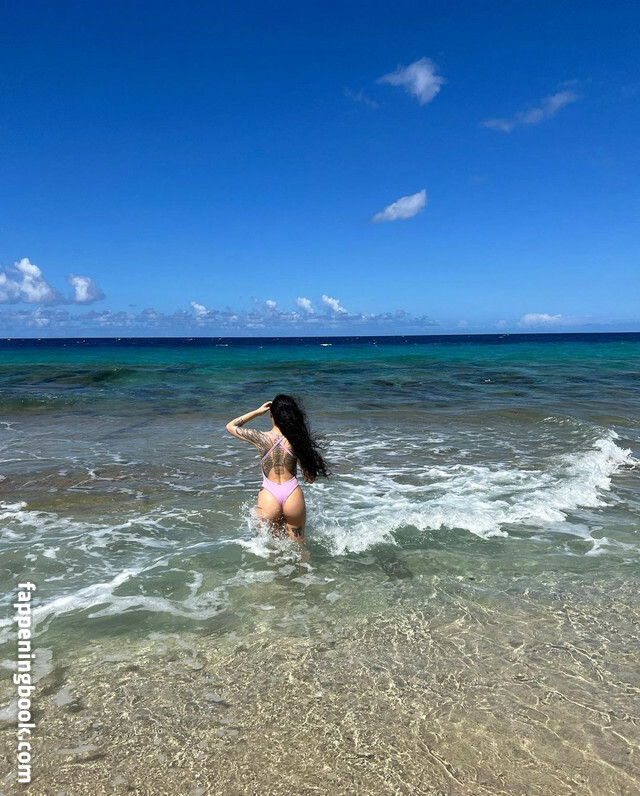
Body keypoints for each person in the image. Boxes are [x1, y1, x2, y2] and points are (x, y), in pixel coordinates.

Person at [225, 394, 329, 541]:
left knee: (269, 548)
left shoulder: (261, 438)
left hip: (269, 495)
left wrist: (257, 412)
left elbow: (231, 426)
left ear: (271, 415)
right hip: (292, 495)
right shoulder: (297, 440)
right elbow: (310, 479)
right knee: (300, 548)